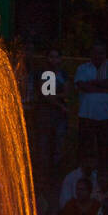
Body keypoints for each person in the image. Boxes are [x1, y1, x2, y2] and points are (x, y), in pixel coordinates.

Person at [73, 42, 108, 166]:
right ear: (91, 53)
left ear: (105, 54)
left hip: (105, 116)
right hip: (86, 115)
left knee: (104, 149)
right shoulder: (82, 68)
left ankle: (103, 175)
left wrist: (92, 84)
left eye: (101, 52)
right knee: (84, 148)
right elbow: (81, 85)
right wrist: (102, 87)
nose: (99, 55)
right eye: (96, 52)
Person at [32, 47, 70, 179]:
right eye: (51, 57)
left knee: (58, 146)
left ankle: (56, 175)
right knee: (44, 147)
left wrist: (56, 97)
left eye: (57, 57)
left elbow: (66, 92)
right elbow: (46, 95)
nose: (54, 60)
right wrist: (60, 103)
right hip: (45, 115)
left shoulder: (63, 74)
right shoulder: (43, 73)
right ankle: (43, 176)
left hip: (59, 116)